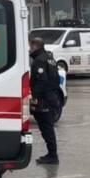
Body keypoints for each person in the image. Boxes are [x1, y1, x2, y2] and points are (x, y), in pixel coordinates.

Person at [29, 36, 61, 165]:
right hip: (52, 97)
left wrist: (37, 98)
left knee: (46, 128)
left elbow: (41, 82)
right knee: (48, 127)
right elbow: (56, 78)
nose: (30, 49)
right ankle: (51, 154)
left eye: (31, 47)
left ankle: (52, 156)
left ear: (35, 46)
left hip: (44, 99)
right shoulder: (50, 58)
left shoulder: (39, 61)